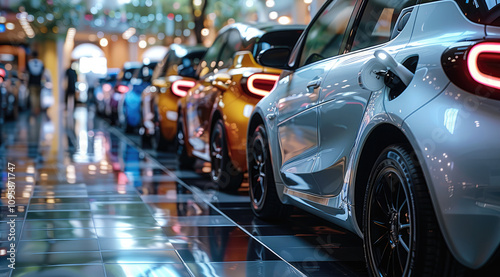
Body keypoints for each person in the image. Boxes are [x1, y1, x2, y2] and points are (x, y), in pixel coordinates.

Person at [26, 51, 49, 115]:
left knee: (33, 97)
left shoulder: (29, 63)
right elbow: (43, 72)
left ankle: (34, 109)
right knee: (38, 97)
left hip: (32, 82)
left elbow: (27, 73)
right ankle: (38, 109)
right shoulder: (40, 63)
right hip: (38, 82)